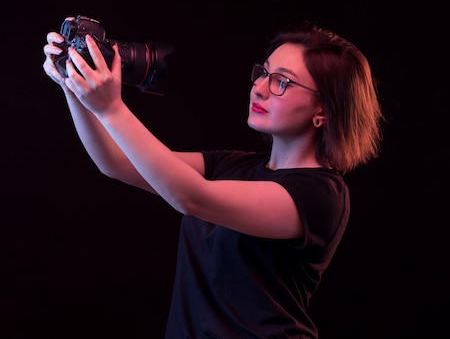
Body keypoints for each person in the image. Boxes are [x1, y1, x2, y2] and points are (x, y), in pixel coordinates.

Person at [42, 18, 384, 338]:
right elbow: (117, 163)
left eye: (281, 81)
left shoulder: (320, 196)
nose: (259, 88)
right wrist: (72, 84)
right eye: (263, 73)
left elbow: (191, 197)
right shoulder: (232, 166)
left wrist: (111, 108)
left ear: (323, 110)